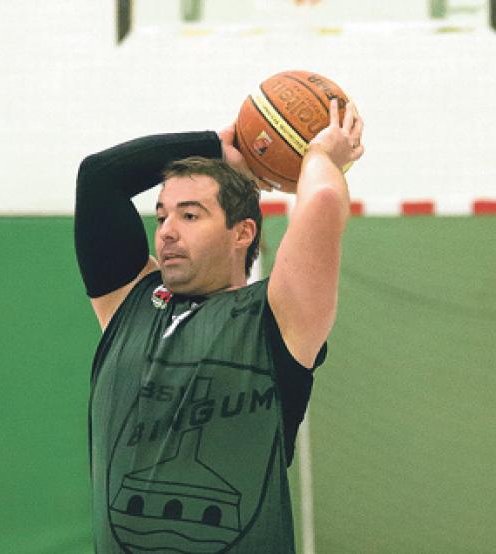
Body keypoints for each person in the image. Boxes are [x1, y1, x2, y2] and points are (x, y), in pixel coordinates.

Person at [74, 99, 363, 552]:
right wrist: (217, 145)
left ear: (242, 233)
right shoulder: (128, 303)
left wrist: (322, 157)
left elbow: (324, 200)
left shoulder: (277, 317)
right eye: (162, 215)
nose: (167, 229)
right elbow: (99, 176)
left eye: (189, 215)